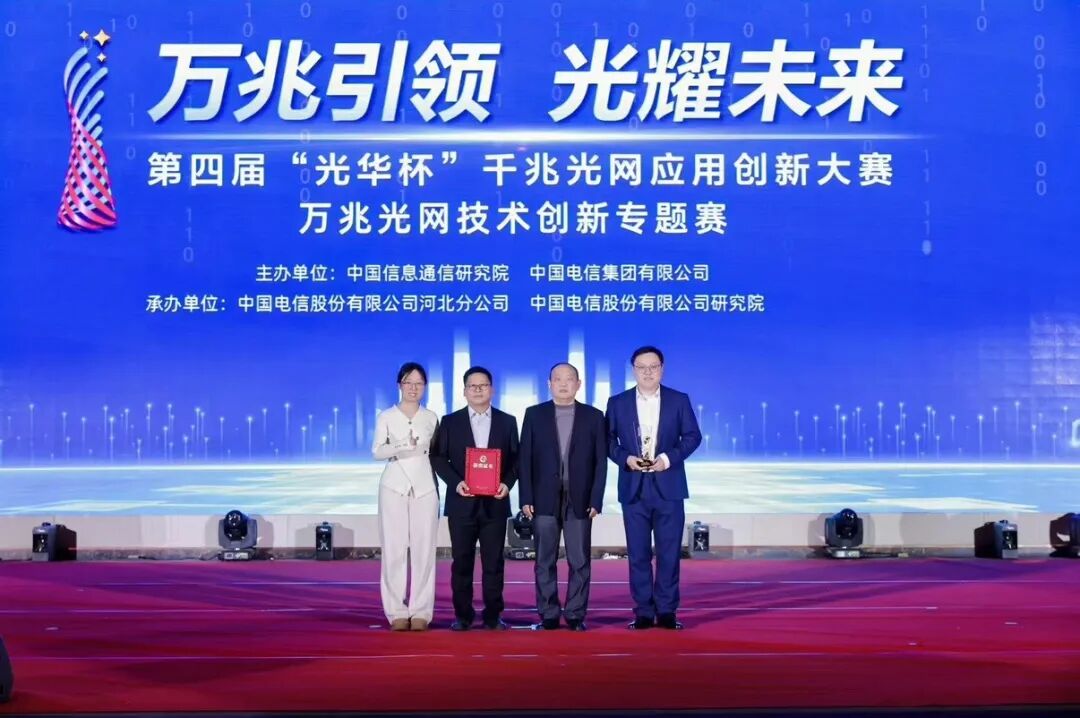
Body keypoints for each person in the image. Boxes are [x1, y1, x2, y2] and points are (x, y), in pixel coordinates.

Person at [605, 346, 701, 630]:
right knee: (638, 554)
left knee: (669, 554)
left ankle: (667, 610)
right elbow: (607, 440)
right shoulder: (618, 402)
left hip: (669, 486)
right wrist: (626, 458)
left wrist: (667, 459)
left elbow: (693, 436)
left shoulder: (678, 400)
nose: (648, 372)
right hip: (633, 487)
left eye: (653, 366)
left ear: (662, 368)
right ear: (633, 369)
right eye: (641, 367)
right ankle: (643, 612)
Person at [519, 362, 607, 632]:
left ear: (578, 384)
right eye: (558, 379)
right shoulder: (534, 414)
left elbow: (600, 462)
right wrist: (526, 497)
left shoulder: (594, 416)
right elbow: (525, 459)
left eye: (569, 379)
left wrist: (596, 499)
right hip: (543, 497)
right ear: (549, 384)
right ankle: (548, 614)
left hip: (580, 498)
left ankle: (575, 614)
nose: (564, 384)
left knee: (579, 560)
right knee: (544, 559)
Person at [431, 366, 519, 630]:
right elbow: (438, 457)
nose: (478, 390)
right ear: (465, 391)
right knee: (462, 562)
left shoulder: (507, 421)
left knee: (494, 563)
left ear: (492, 389)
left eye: (483, 385)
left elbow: (517, 460)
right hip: (462, 503)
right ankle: (463, 615)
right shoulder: (450, 421)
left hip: (495, 503)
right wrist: (456, 483)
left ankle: (493, 615)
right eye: (473, 386)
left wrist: (507, 483)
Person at [371, 362, 440, 631]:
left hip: (425, 487)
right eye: (408, 382)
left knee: (424, 551)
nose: (413, 388)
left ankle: (421, 610)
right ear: (399, 384)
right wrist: (401, 444)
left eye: (419, 383)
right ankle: (396, 611)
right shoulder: (386, 416)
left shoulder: (431, 417)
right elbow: (377, 451)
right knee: (394, 549)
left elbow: (437, 454)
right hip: (394, 486)